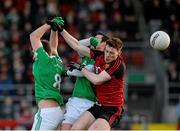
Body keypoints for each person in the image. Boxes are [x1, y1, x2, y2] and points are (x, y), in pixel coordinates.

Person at [58, 28, 125, 130]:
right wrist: (61, 30)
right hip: (99, 105)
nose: (107, 55)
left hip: (112, 108)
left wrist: (81, 68)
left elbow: (96, 80)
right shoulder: (100, 55)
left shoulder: (118, 65)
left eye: (112, 53)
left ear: (119, 53)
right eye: (107, 51)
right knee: (75, 128)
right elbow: (77, 46)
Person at [60, 32, 109, 130]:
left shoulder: (104, 59)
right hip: (76, 98)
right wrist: (89, 40)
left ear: (105, 44)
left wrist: (68, 72)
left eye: (97, 38)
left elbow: (86, 71)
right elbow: (78, 45)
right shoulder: (88, 55)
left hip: (90, 102)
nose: (94, 39)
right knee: (65, 128)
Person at [30, 17, 66, 130]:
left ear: (42, 52)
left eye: (34, 50)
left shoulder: (43, 60)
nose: (33, 53)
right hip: (58, 111)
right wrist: (54, 30)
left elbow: (33, 36)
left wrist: (49, 24)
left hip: (47, 113)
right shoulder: (57, 61)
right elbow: (54, 47)